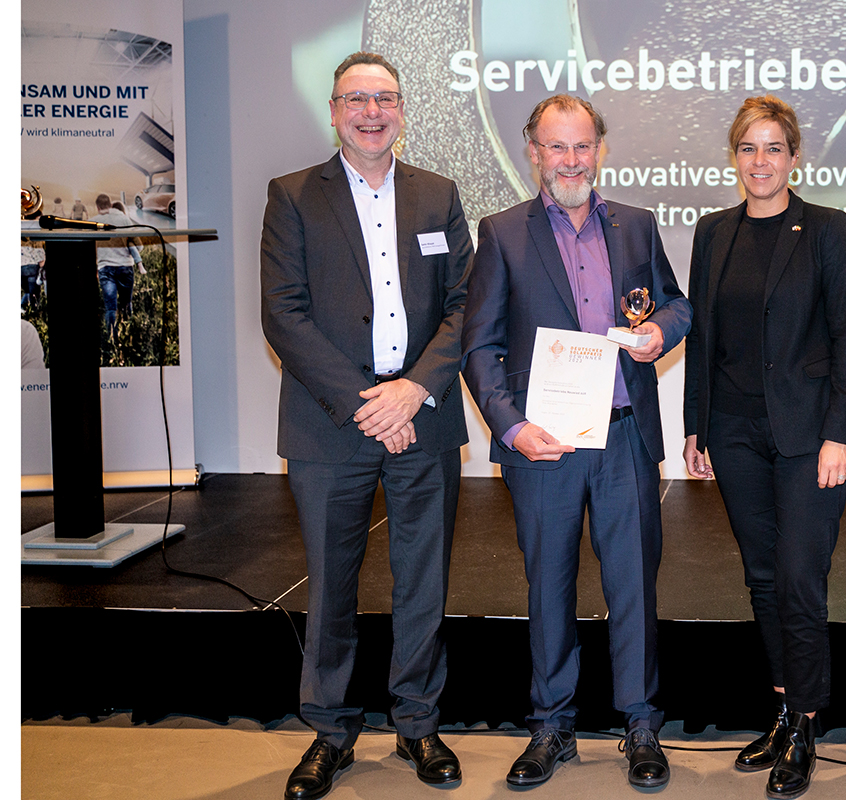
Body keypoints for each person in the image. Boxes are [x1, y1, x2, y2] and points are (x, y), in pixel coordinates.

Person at [461, 94, 691, 791]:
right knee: (550, 588)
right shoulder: (501, 233)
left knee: (633, 590)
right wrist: (511, 426)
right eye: (556, 147)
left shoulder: (637, 226)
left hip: (623, 438)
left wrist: (661, 333)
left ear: (600, 149)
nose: (571, 160)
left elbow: (675, 303)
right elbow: (480, 347)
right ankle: (552, 725)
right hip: (546, 446)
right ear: (534, 151)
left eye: (582, 146)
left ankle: (641, 724)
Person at [260, 51, 472, 800]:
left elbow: (464, 308)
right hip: (331, 426)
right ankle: (330, 732)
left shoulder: (439, 195)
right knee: (332, 585)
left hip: (423, 419)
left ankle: (418, 723)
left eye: (384, 98)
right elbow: (282, 314)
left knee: (423, 582)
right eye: (357, 98)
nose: (372, 112)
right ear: (334, 110)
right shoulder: (292, 196)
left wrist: (412, 390)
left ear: (403, 110)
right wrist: (368, 403)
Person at [681, 95, 846, 800]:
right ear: (735, 158)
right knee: (761, 576)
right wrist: (696, 426)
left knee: (797, 577)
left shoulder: (824, 229)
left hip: (809, 436)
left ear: (794, 157)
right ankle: (784, 710)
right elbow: (704, 339)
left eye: (773, 148)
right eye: (748, 149)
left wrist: (842, 433)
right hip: (734, 432)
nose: (761, 161)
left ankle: (808, 724)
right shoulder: (712, 231)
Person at [90, 194, 142, 340]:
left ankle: (112, 338)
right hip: (125, 267)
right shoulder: (124, 219)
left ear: (98, 207)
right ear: (110, 204)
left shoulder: (92, 222)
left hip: (105, 267)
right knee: (126, 303)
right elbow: (140, 245)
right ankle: (129, 334)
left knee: (110, 307)